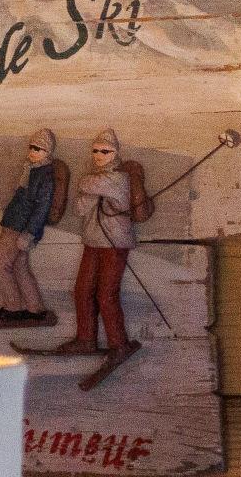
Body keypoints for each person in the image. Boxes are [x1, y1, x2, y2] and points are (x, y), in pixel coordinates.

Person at [52, 128, 143, 380]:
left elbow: (87, 184)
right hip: (93, 241)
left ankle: (119, 344)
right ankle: (85, 339)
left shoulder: (120, 179)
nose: (99, 155)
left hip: (114, 244)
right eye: (95, 151)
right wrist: (92, 191)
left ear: (115, 154)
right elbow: (80, 208)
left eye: (105, 151)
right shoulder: (101, 179)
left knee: (106, 295)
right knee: (82, 290)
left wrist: (90, 186)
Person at [0, 128, 60, 324]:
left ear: (47, 152)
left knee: (1, 264)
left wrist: (30, 233)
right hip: (15, 223)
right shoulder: (32, 169)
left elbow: (41, 208)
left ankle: (13, 307)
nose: (32, 151)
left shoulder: (44, 176)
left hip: (19, 227)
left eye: (38, 149)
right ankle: (35, 308)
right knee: (20, 267)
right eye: (31, 147)